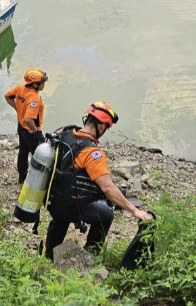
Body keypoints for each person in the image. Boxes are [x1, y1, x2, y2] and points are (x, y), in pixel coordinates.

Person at [43, 101, 153, 261]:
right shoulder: (93, 152)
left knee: (60, 219)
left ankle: (48, 256)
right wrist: (134, 210)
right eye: (106, 128)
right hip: (71, 207)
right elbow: (108, 188)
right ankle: (90, 256)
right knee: (106, 215)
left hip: (52, 201)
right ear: (101, 126)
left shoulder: (63, 133)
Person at [4, 68, 48, 184]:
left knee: (23, 153)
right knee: (41, 156)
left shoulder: (20, 88)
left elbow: (7, 96)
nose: (44, 84)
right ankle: (41, 181)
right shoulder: (34, 98)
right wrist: (34, 129)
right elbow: (29, 119)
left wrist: (17, 108)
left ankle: (22, 177)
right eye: (42, 83)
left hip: (21, 127)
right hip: (31, 131)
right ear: (34, 84)